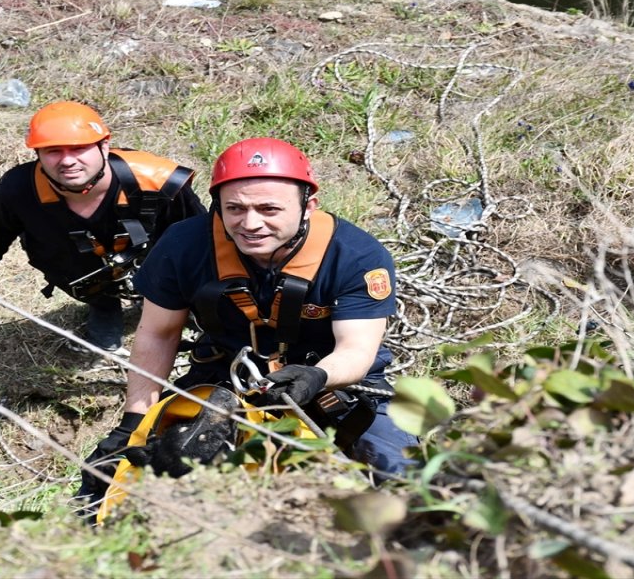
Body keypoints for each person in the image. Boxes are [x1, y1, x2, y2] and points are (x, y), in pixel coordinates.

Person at [77, 137, 417, 506]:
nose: (250, 223)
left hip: (332, 383)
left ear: (308, 207)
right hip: (226, 375)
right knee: (144, 466)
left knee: (401, 476)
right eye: (234, 208)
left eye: (269, 209)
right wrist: (133, 422)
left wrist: (317, 376)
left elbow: (357, 349)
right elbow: (158, 335)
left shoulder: (355, 255)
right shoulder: (184, 246)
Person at [0, 101, 206, 353]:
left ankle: (179, 303)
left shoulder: (156, 180)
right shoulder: (19, 189)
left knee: (182, 263)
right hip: (76, 267)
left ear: (104, 146)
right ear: (37, 154)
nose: (67, 161)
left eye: (79, 148)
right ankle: (103, 306)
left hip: (152, 254)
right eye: (53, 151)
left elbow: (203, 237)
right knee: (57, 252)